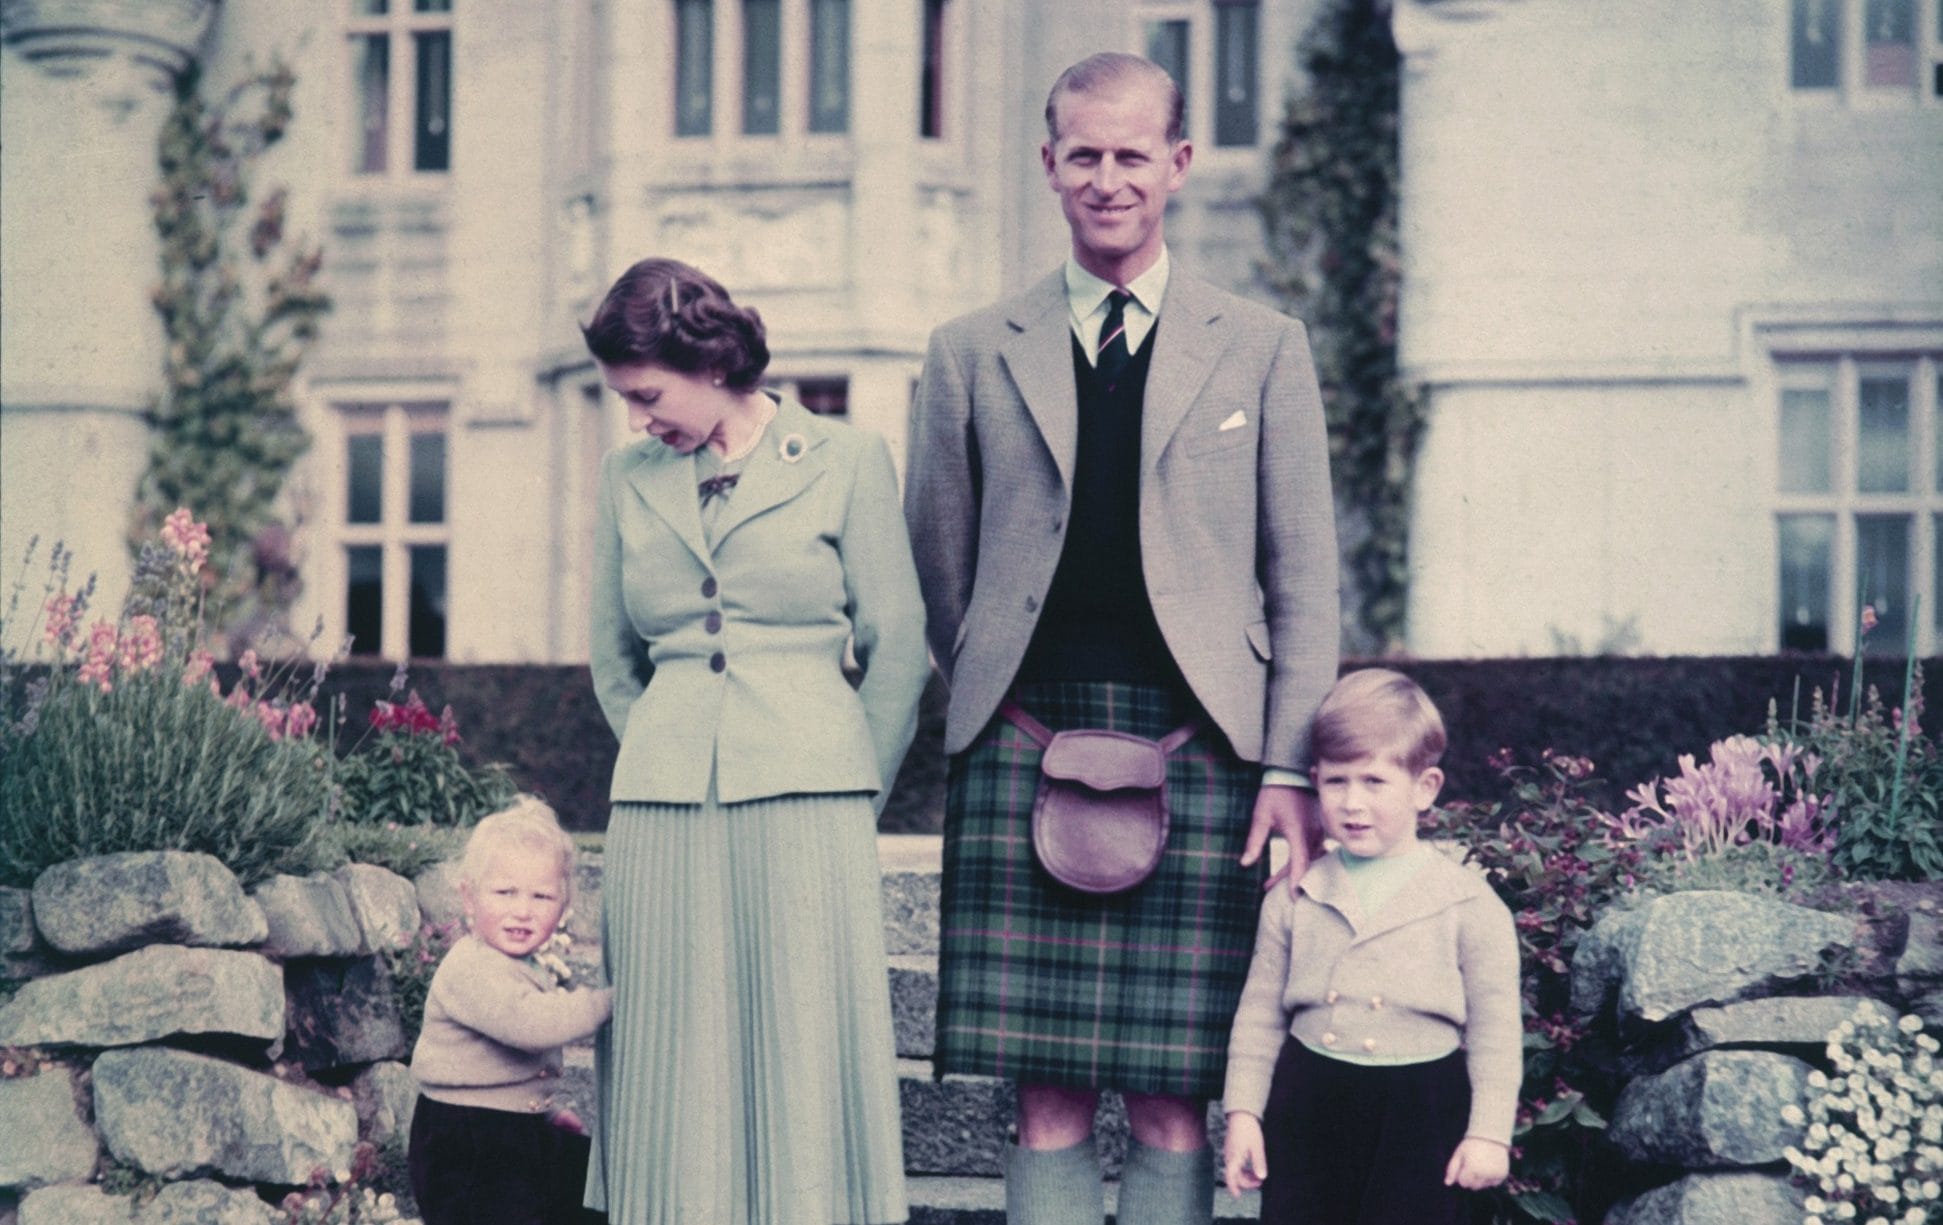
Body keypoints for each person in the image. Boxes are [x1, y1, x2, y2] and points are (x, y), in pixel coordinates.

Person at [903, 51, 1341, 1225]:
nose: (1107, 178)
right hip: (1022, 734)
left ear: (1177, 165)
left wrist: (1288, 766)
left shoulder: (1260, 345)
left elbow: (1302, 578)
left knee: (1173, 1098)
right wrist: (993, 694)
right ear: (1049, 165)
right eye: (1083, 155)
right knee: (1041, 1094)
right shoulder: (967, 350)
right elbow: (939, 567)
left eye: (1131, 154)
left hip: (1205, 745)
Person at [581, 257, 929, 1225]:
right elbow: (613, 659)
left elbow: (896, 646)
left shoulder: (845, 457)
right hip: (660, 800)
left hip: (810, 793)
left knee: (800, 1042)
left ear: (709, 361)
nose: (637, 417)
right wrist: (668, 741)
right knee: (666, 1044)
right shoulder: (626, 475)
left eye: (646, 393)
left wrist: (849, 782)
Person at [1222, 669, 1522, 1225]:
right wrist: (1244, 1114)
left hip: (1420, 1108)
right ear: (1314, 782)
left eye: (1374, 782)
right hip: (1310, 1099)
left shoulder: (1468, 904)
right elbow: (1260, 1015)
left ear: (1424, 788)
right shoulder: (1297, 893)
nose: (1352, 803)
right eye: (1336, 782)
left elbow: (1496, 1032)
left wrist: (1488, 1134)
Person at [408, 797, 614, 1225]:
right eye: (505, 892)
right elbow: (530, 1024)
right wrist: (610, 1002)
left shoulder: (519, 965)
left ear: (564, 905)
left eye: (542, 896)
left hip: (509, 1129)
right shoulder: (470, 966)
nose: (523, 910)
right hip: (466, 1145)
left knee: (590, 1182)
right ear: (469, 898)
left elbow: (499, 1071)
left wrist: (542, 1108)